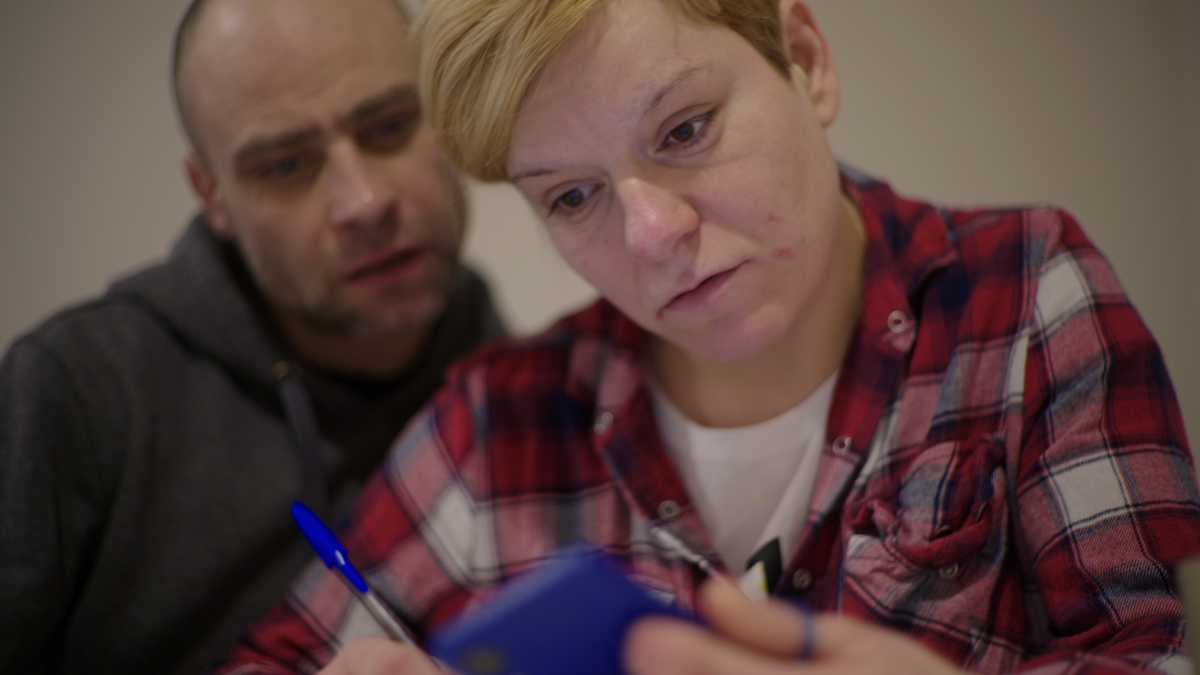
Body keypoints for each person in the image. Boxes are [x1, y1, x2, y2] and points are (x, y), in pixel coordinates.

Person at [215, 0, 1200, 673]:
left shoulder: (1023, 295)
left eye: (685, 130)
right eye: (572, 196)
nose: (651, 233)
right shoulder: (499, 416)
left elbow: (1143, 653)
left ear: (805, 59)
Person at [0, 0, 507, 671]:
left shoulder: (508, 373)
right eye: (285, 166)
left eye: (388, 126)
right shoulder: (78, 391)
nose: (364, 203)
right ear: (211, 195)